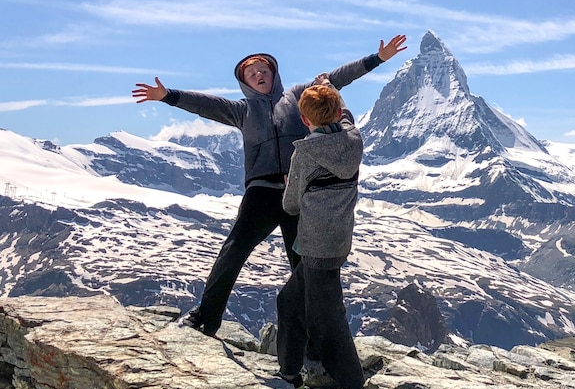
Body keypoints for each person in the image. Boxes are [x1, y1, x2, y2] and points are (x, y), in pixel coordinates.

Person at [131, 35, 407, 336]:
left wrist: (377, 59)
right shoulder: (242, 110)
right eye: (253, 74)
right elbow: (203, 104)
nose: (260, 75)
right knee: (233, 251)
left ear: (274, 74)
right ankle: (206, 317)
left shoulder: (299, 95)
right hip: (261, 192)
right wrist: (167, 95)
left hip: (299, 191)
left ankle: (314, 339)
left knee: (303, 266)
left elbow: (336, 79)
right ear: (245, 83)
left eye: (264, 70)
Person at [277, 83, 370, 389]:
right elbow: (346, 119)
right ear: (337, 112)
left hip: (315, 243)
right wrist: (333, 94)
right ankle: (289, 375)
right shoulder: (353, 140)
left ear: (304, 120)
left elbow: (290, 205)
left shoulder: (305, 153)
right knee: (288, 302)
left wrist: (290, 185)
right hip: (337, 239)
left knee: (327, 320)